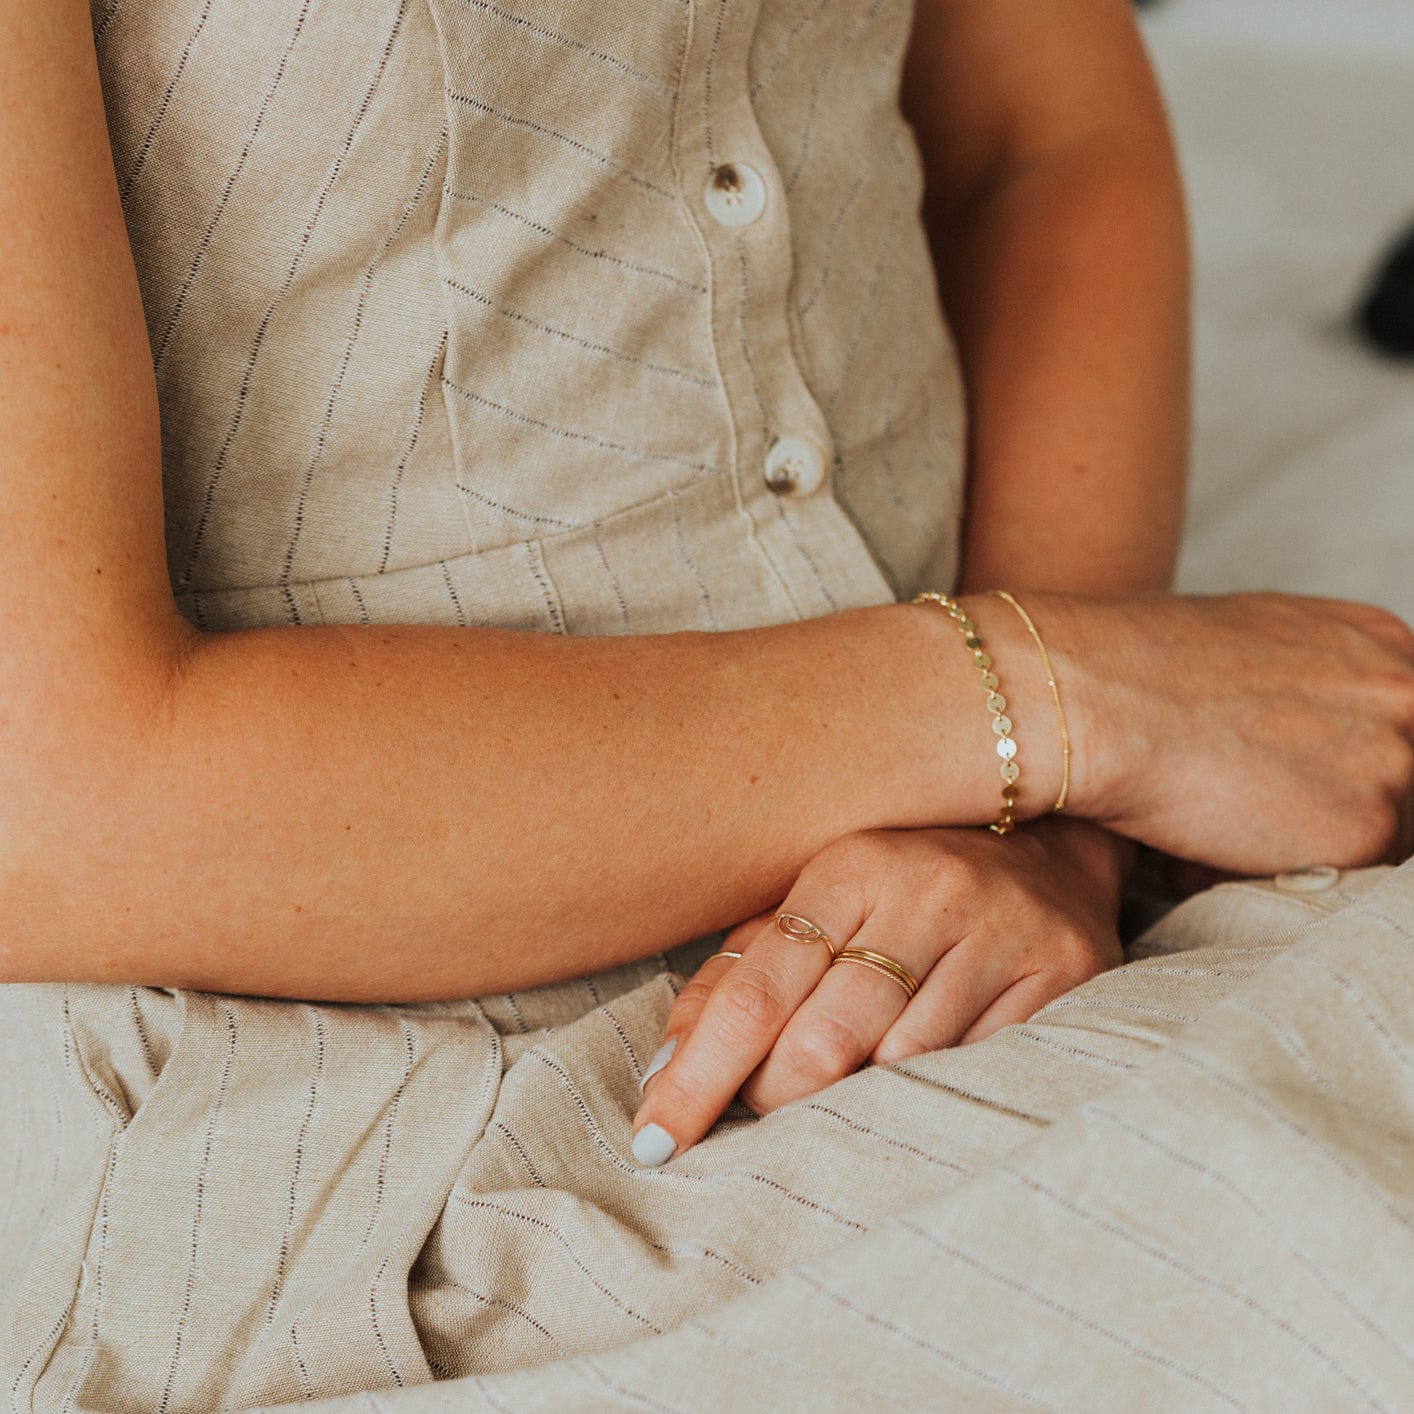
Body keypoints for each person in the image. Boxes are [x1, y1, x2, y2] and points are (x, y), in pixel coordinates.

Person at [2, 0, 1411, 1406]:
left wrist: (1042, 829)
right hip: (337, 1079)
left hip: (1023, 873)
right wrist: (1047, 697)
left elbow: (1042, 144)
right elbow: (49, 804)